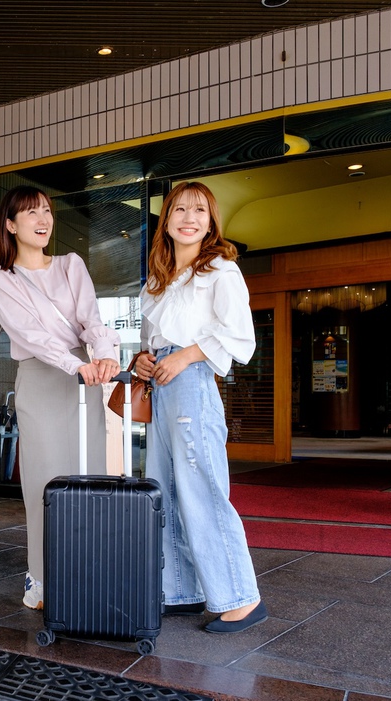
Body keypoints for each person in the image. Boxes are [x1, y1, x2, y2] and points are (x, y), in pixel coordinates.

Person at [131, 181, 267, 634]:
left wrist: (184, 355)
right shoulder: (158, 277)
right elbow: (152, 337)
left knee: (203, 488)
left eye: (200, 211)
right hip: (162, 385)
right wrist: (144, 359)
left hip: (192, 383)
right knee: (163, 488)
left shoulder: (221, 271)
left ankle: (240, 599)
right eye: (181, 209)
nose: (190, 218)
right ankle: (181, 590)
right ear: (166, 219)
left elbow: (240, 337)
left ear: (211, 222)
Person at [0, 185, 121, 610]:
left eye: (46, 210)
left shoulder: (70, 264)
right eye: (30, 213)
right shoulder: (2, 278)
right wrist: (76, 365)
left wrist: (104, 357)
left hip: (85, 376)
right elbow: (32, 336)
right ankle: (42, 577)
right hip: (44, 379)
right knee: (44, 480)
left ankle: (95, 568)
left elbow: (90, 317)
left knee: (92, 474)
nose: (43, 219)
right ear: (10, 225)